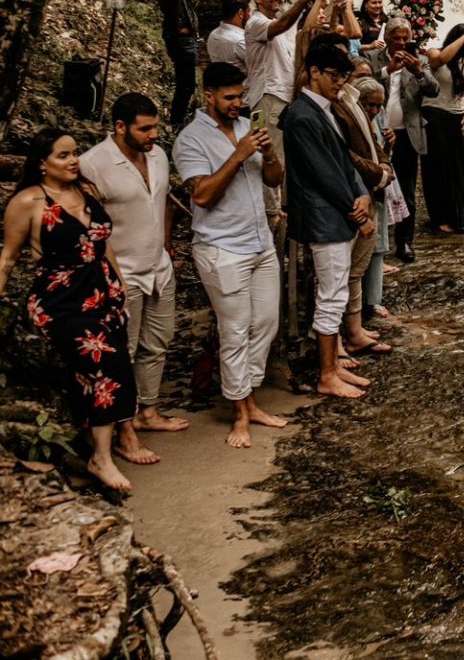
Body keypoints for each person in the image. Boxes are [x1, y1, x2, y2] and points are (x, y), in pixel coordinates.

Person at [0, 129, 154, 491]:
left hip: (104, 294)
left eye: (75, 154)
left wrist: (120, 284)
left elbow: (103, 244)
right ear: (42, 163)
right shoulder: (27, 202)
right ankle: (101, 458)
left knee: (114, 364)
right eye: (63, 155)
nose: (74, 161)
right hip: (60, 301)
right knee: (106, 361)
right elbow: (8, 258)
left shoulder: (87, 191)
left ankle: (101, 438)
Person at [172, 63, 289, 448]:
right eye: (229, 97)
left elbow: (274, 179)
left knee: (266, 323)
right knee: (235, 331)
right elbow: (202, 195)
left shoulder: (246, 128)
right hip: (222, 249)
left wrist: (268, 154)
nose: (238, 103)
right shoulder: (191, 139)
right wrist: (238, 155)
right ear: (208, 96)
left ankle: (248, 394)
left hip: (260, 243)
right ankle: (241, 411)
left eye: (241, 96)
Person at [78, 93, 189, 452]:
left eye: (155, 126)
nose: (153, 134)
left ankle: (148, 411)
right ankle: (123, 426)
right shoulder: (93, 163)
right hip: (121, 271)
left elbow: (165, 202)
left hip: (159, 267)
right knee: (122, 352)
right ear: (120, 127)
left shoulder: (158, 155)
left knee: (158, 342)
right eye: (145, 128)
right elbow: (88, 225)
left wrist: (166, 246)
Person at [280, 41, 375, 400]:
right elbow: (324, 173)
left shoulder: (323, 110)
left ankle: (334, 365)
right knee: (331, 295)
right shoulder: (301, 116)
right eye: (334, 75)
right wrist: (356, 209)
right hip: (324, 217)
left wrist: (362, 193)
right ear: (314, 72)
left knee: (334, 292)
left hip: (337, 212)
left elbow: (344, 162)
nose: (339, 83)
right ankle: (326, 373)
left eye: (343, 77)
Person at [365, 18, 437, 263]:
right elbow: (359, 86)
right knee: (373, 186)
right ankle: (374, 243)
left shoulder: (420, 60)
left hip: (406, 134)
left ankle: (405, 242)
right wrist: (388, 70)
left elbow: (433, 90)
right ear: (387, 38)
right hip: (375, 132)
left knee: (406, 191)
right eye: (397, 38)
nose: (402, 43)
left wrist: (418, 73)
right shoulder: (372, 58)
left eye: (406, 38)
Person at [335, 68, 394, 358]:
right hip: (354, 197)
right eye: (370, 105)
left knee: (357, 270)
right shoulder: (341, 111)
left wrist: (385, 164)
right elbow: (347, 156)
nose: (374, 110)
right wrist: (379, 173)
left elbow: (376, 149)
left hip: (371, 193)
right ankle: (343, 335)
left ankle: (355, 329)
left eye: (378, 106)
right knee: (342, 275)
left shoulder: (362, 115)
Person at [245, 0, 324, 178]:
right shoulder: (255, 22)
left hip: (282, 99)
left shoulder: (277, 27)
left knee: (285, 158)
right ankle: (270, 200)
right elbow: (284, 23)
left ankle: (280, 198)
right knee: (271, 156)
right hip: (268, 98)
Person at [144, 0, 209, 126]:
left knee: (186, 86)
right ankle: (177, 125)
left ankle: (180, 123)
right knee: (185, 86)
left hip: (184, 40)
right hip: (181, 41)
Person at [421, 22, 464, 235]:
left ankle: (459, 215)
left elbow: (461, 92)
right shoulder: (434, 53)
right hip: (435, 117)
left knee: (457, 168)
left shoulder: (459, 64)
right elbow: (441, 60)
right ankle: (440, 217)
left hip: (455, 120)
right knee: (438, 168)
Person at [206, 0, 251, 70]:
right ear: (241, 13)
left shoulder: (213, 34)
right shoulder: (240, 41)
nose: (250, 16)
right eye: (248, 11)